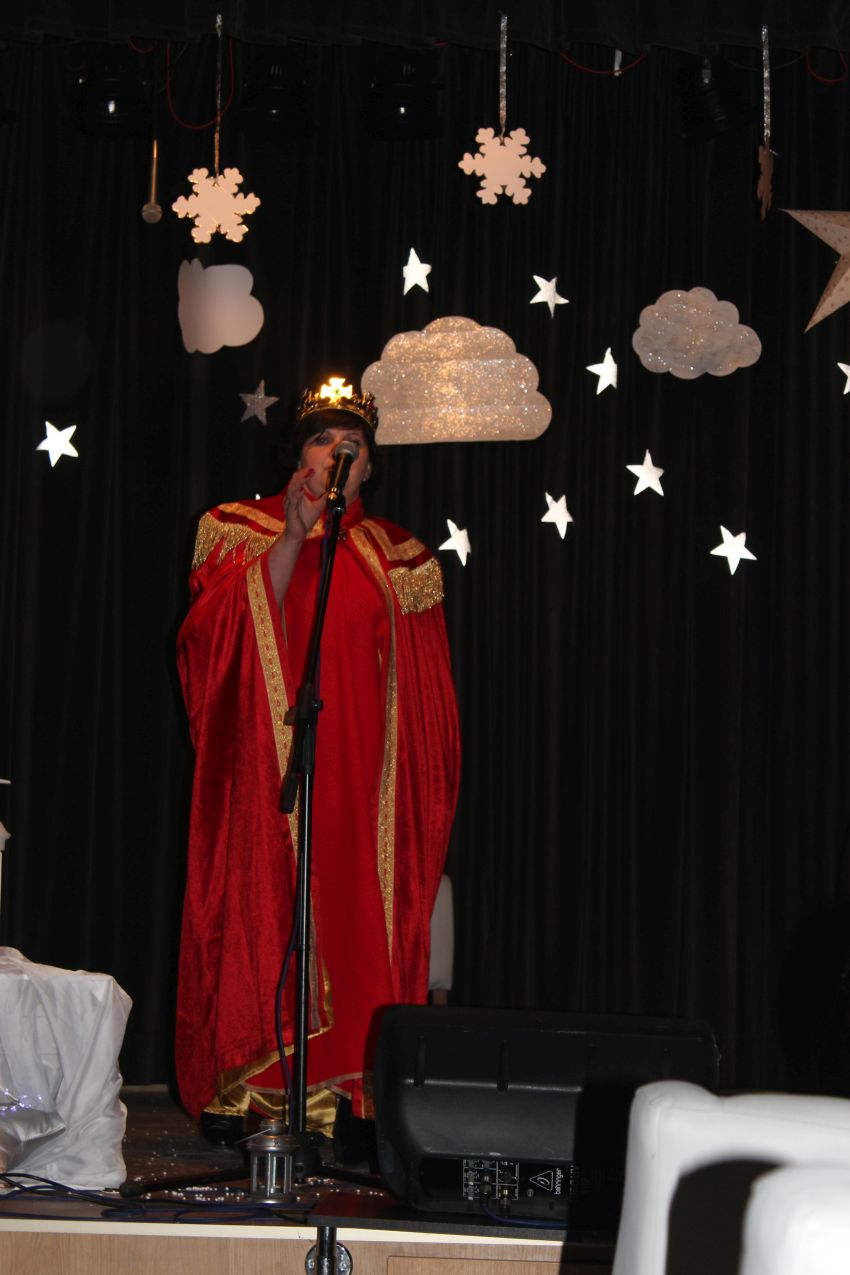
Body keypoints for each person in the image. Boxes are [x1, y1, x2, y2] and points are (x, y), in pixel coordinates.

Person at [175, 378, 460, 1143]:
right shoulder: (237, 529)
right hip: (268, 770)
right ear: (297, 454)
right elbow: (213, 644)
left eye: (354, 445)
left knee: (350, 919)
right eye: (323, 439)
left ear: (370, 467)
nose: (339, 453)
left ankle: (347, 1093)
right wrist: (293, 537)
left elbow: (427, 701)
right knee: (267, 908)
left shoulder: (401, 557)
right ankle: (254, 1088)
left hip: (360, 778)